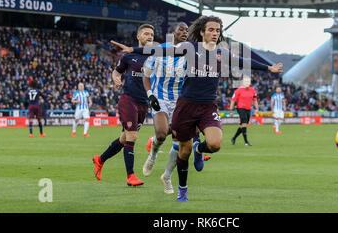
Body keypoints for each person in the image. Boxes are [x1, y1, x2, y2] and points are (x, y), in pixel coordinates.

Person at [111, 15, 283, 201]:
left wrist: (268, 68)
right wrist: (134, 50)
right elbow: (163, 51)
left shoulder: (221, 53)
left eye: (218, 30)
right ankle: (181, 189)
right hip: (185, 105)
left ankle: (199, 150)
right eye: (211, 29)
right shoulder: (190, 48)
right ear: (202, 32)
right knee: (181, 149)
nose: (215, 33)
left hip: (208, 106)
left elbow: (242, 61)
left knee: (215, 144)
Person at [141, 22, 211, 194]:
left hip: (181, 101)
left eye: (187, 31)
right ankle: (153, 155)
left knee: (179, 143)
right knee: (161, 133)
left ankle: (166, 176)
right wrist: (150, 95)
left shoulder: (190, 55)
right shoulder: (160, 50)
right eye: (181, 30)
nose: (185, 33)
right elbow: (146, 76)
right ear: (173, 32)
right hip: (160, 98)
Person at [92, 24, 155, 187]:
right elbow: (117, 71)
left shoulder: (155, 56)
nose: (149, 36)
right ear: (138, 37)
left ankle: (100, 159)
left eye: (152, 34)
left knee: (124, 138)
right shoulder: (128, 56)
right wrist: (116, 77)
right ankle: (130, 176)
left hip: (144, 103)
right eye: (146, 34)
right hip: (129, 100)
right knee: (132, 136)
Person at [229, 75, 258, 146]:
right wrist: (231, 111)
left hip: (248, 109)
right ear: (243, 82)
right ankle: (246, 142)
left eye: (248, 81)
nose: (247, 83)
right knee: (244, 123)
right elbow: (233, 101)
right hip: (240, 108)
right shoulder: (238, 90)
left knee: (243, 125)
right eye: (246, 81)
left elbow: (255, 100)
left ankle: (233, 138)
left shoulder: (252, 90)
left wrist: (256, 109)